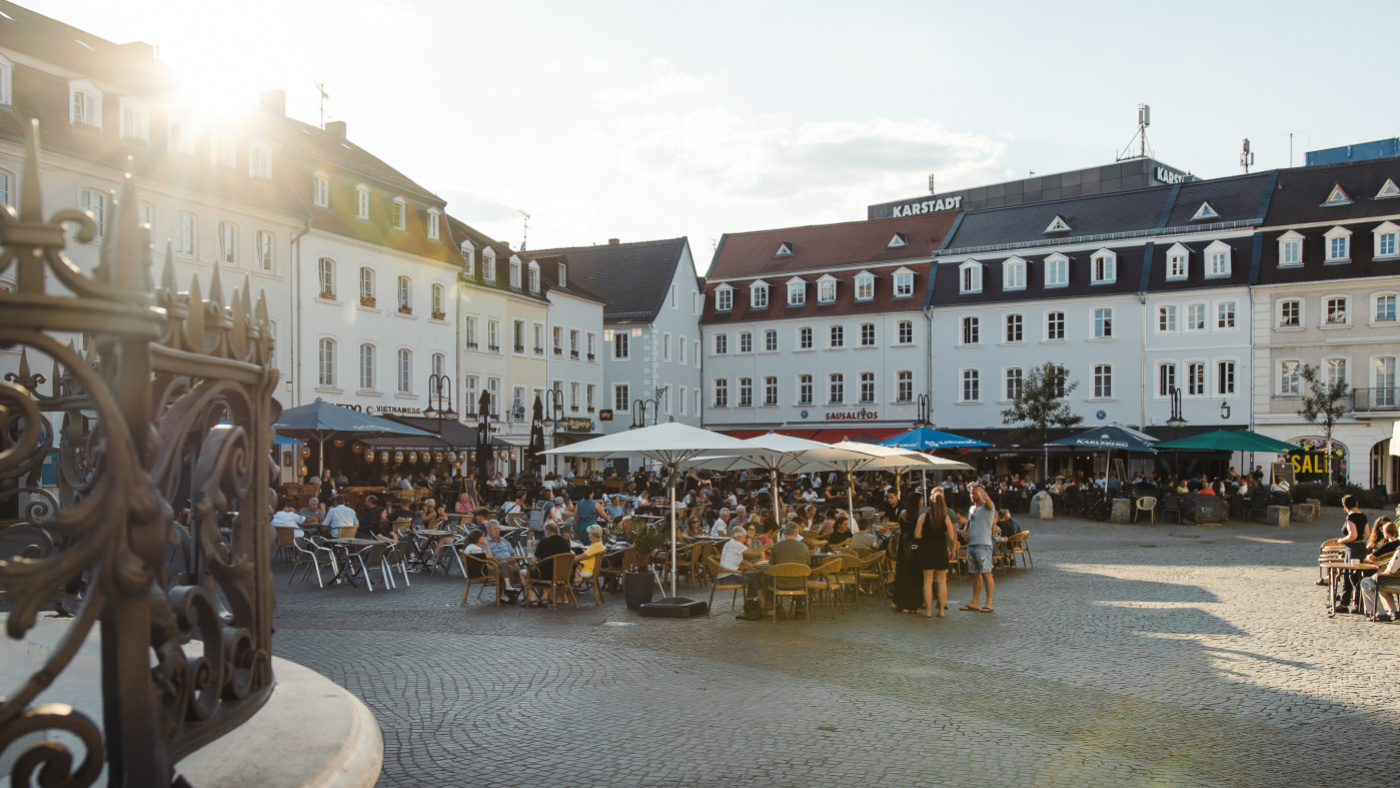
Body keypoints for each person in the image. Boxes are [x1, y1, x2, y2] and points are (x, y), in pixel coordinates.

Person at [916, 488, 957, 618]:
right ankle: (941, 611)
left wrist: (926, 536)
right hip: (941, 550)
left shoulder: (924, 516)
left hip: (927, 550)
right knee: (942, 581)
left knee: (927, 581)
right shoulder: (946, 518)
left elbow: (916, 535)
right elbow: (951, 537)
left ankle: (928, 611)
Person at [717, 524, 769, 620]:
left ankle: (755, 605)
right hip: (727, 576)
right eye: (744, 537)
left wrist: (756, 571)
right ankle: (760, 604)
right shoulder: (736, 544)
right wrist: (766, 546)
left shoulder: (729, 543)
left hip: (728, 574)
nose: (745, 540)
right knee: (753, 580)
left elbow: (744, 563)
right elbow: (754, 553)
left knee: (756, 576)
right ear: (739, 537)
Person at [958, 483, 996, 613]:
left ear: (980, 493)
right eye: (971, 493)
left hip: (983, 545)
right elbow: (969, 525)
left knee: (986, 573)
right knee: (975, 574)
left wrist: (978, 486)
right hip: (972, 545)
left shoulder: (987, 506)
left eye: (974, 493)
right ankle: (975, 602)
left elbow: (988, 500)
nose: (972, 496)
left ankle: (989, 603)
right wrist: (966, 533)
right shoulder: (972, 509)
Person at [520, 522, 573, 607]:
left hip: (545, 575)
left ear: (547, 532)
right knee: (547, 567)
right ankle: (544, 597)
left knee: (522, 572)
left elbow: (533, 560)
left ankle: (533, 599)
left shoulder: (544, 542)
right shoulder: (564, 542)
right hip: (562, 575)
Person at [766, 522, 811, 616]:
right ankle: (799, 608)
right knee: (804, 577)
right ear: (797, 533)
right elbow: (807, 565)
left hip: (779, 583)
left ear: (784, 532)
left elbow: (771, 567)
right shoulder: (804, 547)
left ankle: (778, 607)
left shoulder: (775, 547)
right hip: (799, 583)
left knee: (764, 580)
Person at [891, 492, 925, 614]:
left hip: (903, 547)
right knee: (915, 576)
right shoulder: (920, 516)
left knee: (903, 575)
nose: (922, 502)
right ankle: (912, 605)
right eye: (921, 500)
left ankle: (900, 603)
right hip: (915, 548)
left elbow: (901, 529)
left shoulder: (902, 513)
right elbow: (919, 533)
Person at [1338, 494, 1371, 613]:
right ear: (1356, 503)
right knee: (1352, 574)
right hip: (1361, 546)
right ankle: (1345, 602)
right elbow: (1367, 534)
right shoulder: (1363, 516)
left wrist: (1342, 540)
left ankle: (1357, 605)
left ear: (1345, 506)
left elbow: (1353, 535)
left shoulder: (1351, 517)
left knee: (1352, 575)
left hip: (1353, 548)